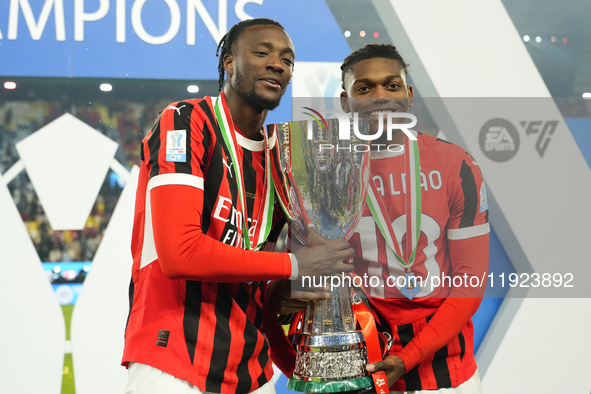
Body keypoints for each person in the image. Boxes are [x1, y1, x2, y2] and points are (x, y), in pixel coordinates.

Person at [122, 18, 354, 394]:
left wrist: (289, 289)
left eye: (287, 60)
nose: (277, 64)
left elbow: (259, 271)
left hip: (252, 369)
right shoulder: (184, 121)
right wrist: (295, 264)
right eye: (261, 52)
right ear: (229, 62)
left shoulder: (281, 158)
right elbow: (180, 254)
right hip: (173, 358)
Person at [340, 44, 490, 393]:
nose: (380, 96)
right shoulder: (328, 169)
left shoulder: (456, 164)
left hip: (445, 370)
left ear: (408, 95)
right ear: (346, 101)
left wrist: (408, 357)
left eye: (391, 86)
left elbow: (470, 280)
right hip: (358, 363)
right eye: (364, 88)